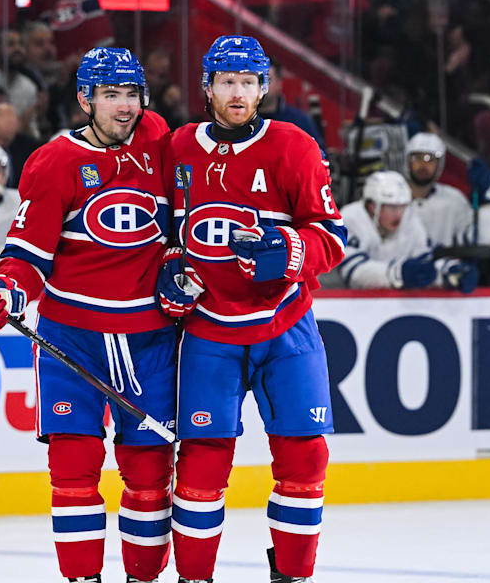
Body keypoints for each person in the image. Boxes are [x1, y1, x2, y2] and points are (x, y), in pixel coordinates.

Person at [0, 47, 175, 583]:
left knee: (149, 477)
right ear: (85, 99)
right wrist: (3, 291)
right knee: (73, 472)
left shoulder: (159, 141)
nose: (124, 107)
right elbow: (27, 254)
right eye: (110, 95)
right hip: (73, 338)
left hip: (149, 340)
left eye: (131, 94)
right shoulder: (54, 162)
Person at [159, 35, 348, 583]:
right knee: (200, 467)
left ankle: (292, 576)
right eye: (226, 82)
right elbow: (169, 231)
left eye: (247, 83)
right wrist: (172, 269)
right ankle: (195, 578)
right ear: (207, 89)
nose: (237, 93)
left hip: (285, 329)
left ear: (263, 88)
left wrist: (289, 252)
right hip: (210, 334)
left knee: (305, 459)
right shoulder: (180, 147)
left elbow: (331, 237)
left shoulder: (294, 146)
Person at [338, 171, 477, 292]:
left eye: (402, 207)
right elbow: (354, 273)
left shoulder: (409, 218)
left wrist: (449, 272)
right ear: (373, 206)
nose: (399, 214)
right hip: (333, 302)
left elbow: (424, 262)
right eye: (392, 208)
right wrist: (397, 274)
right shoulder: (350, 219)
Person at [405, 132, 490, 249]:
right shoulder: (390, 196)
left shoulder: (453, 199)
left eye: (430, 159)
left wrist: (485, 206)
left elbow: (484, 242)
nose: (423, 164)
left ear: (440, 164)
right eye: (417, 157)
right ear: (408, 161)